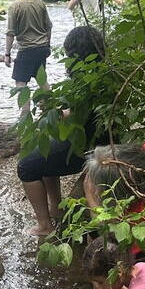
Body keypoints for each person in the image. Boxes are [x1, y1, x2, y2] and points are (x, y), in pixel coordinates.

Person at [17, 26, 111, 236]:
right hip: (103, 142)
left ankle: (44, 225)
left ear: (73, 54)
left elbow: (79, 114)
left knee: (26, 167)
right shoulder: (106, 74)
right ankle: (56, 209)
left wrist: (55, 113)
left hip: (88, 150)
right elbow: (84, 110)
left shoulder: (83, 79)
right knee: (48, 145)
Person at [4, 0, 53, 117]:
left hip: (26, 49)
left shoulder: (15, 6)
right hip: (42, 47)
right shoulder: (39, 2)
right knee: (41, 80)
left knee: (21, 82)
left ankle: (25, 115)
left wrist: (7, 54)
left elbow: (10, 32)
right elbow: (48, 27)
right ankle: (49, 110)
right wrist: (47, 45)